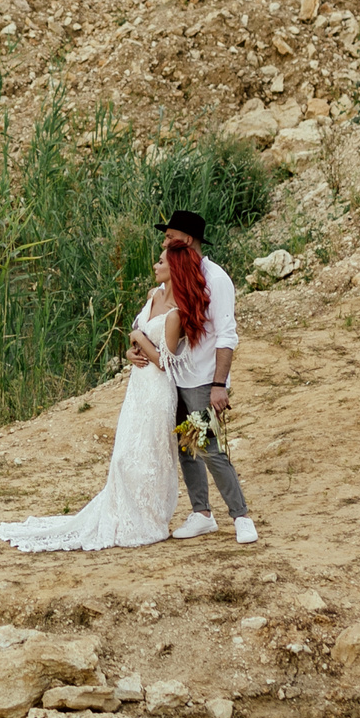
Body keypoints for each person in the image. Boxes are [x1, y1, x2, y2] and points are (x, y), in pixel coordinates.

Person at [0, 265, 182, 553]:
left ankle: (149, 520)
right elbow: (139, 339)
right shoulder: (153, 295)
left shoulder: (176, 312)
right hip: (138, 386)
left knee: (152, 454)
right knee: (124, 454)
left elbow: (166, 362)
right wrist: (132, 350)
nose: (155, 266)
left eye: (161, 261)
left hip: (158, 391)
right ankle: (125, 514)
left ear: (175, 267)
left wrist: (139, 338)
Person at [129, 209, 253, 544]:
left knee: (210, 448)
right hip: (170, 380)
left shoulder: (216, 279)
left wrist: (218, 385)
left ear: (187, 240)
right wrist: (134, 349)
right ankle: (201, 513)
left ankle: (241, 516)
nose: (164, 242)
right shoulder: (174, 277)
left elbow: (227, 336)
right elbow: (147, 325)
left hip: (201, 380)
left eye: (170, 237)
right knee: (187, 447)